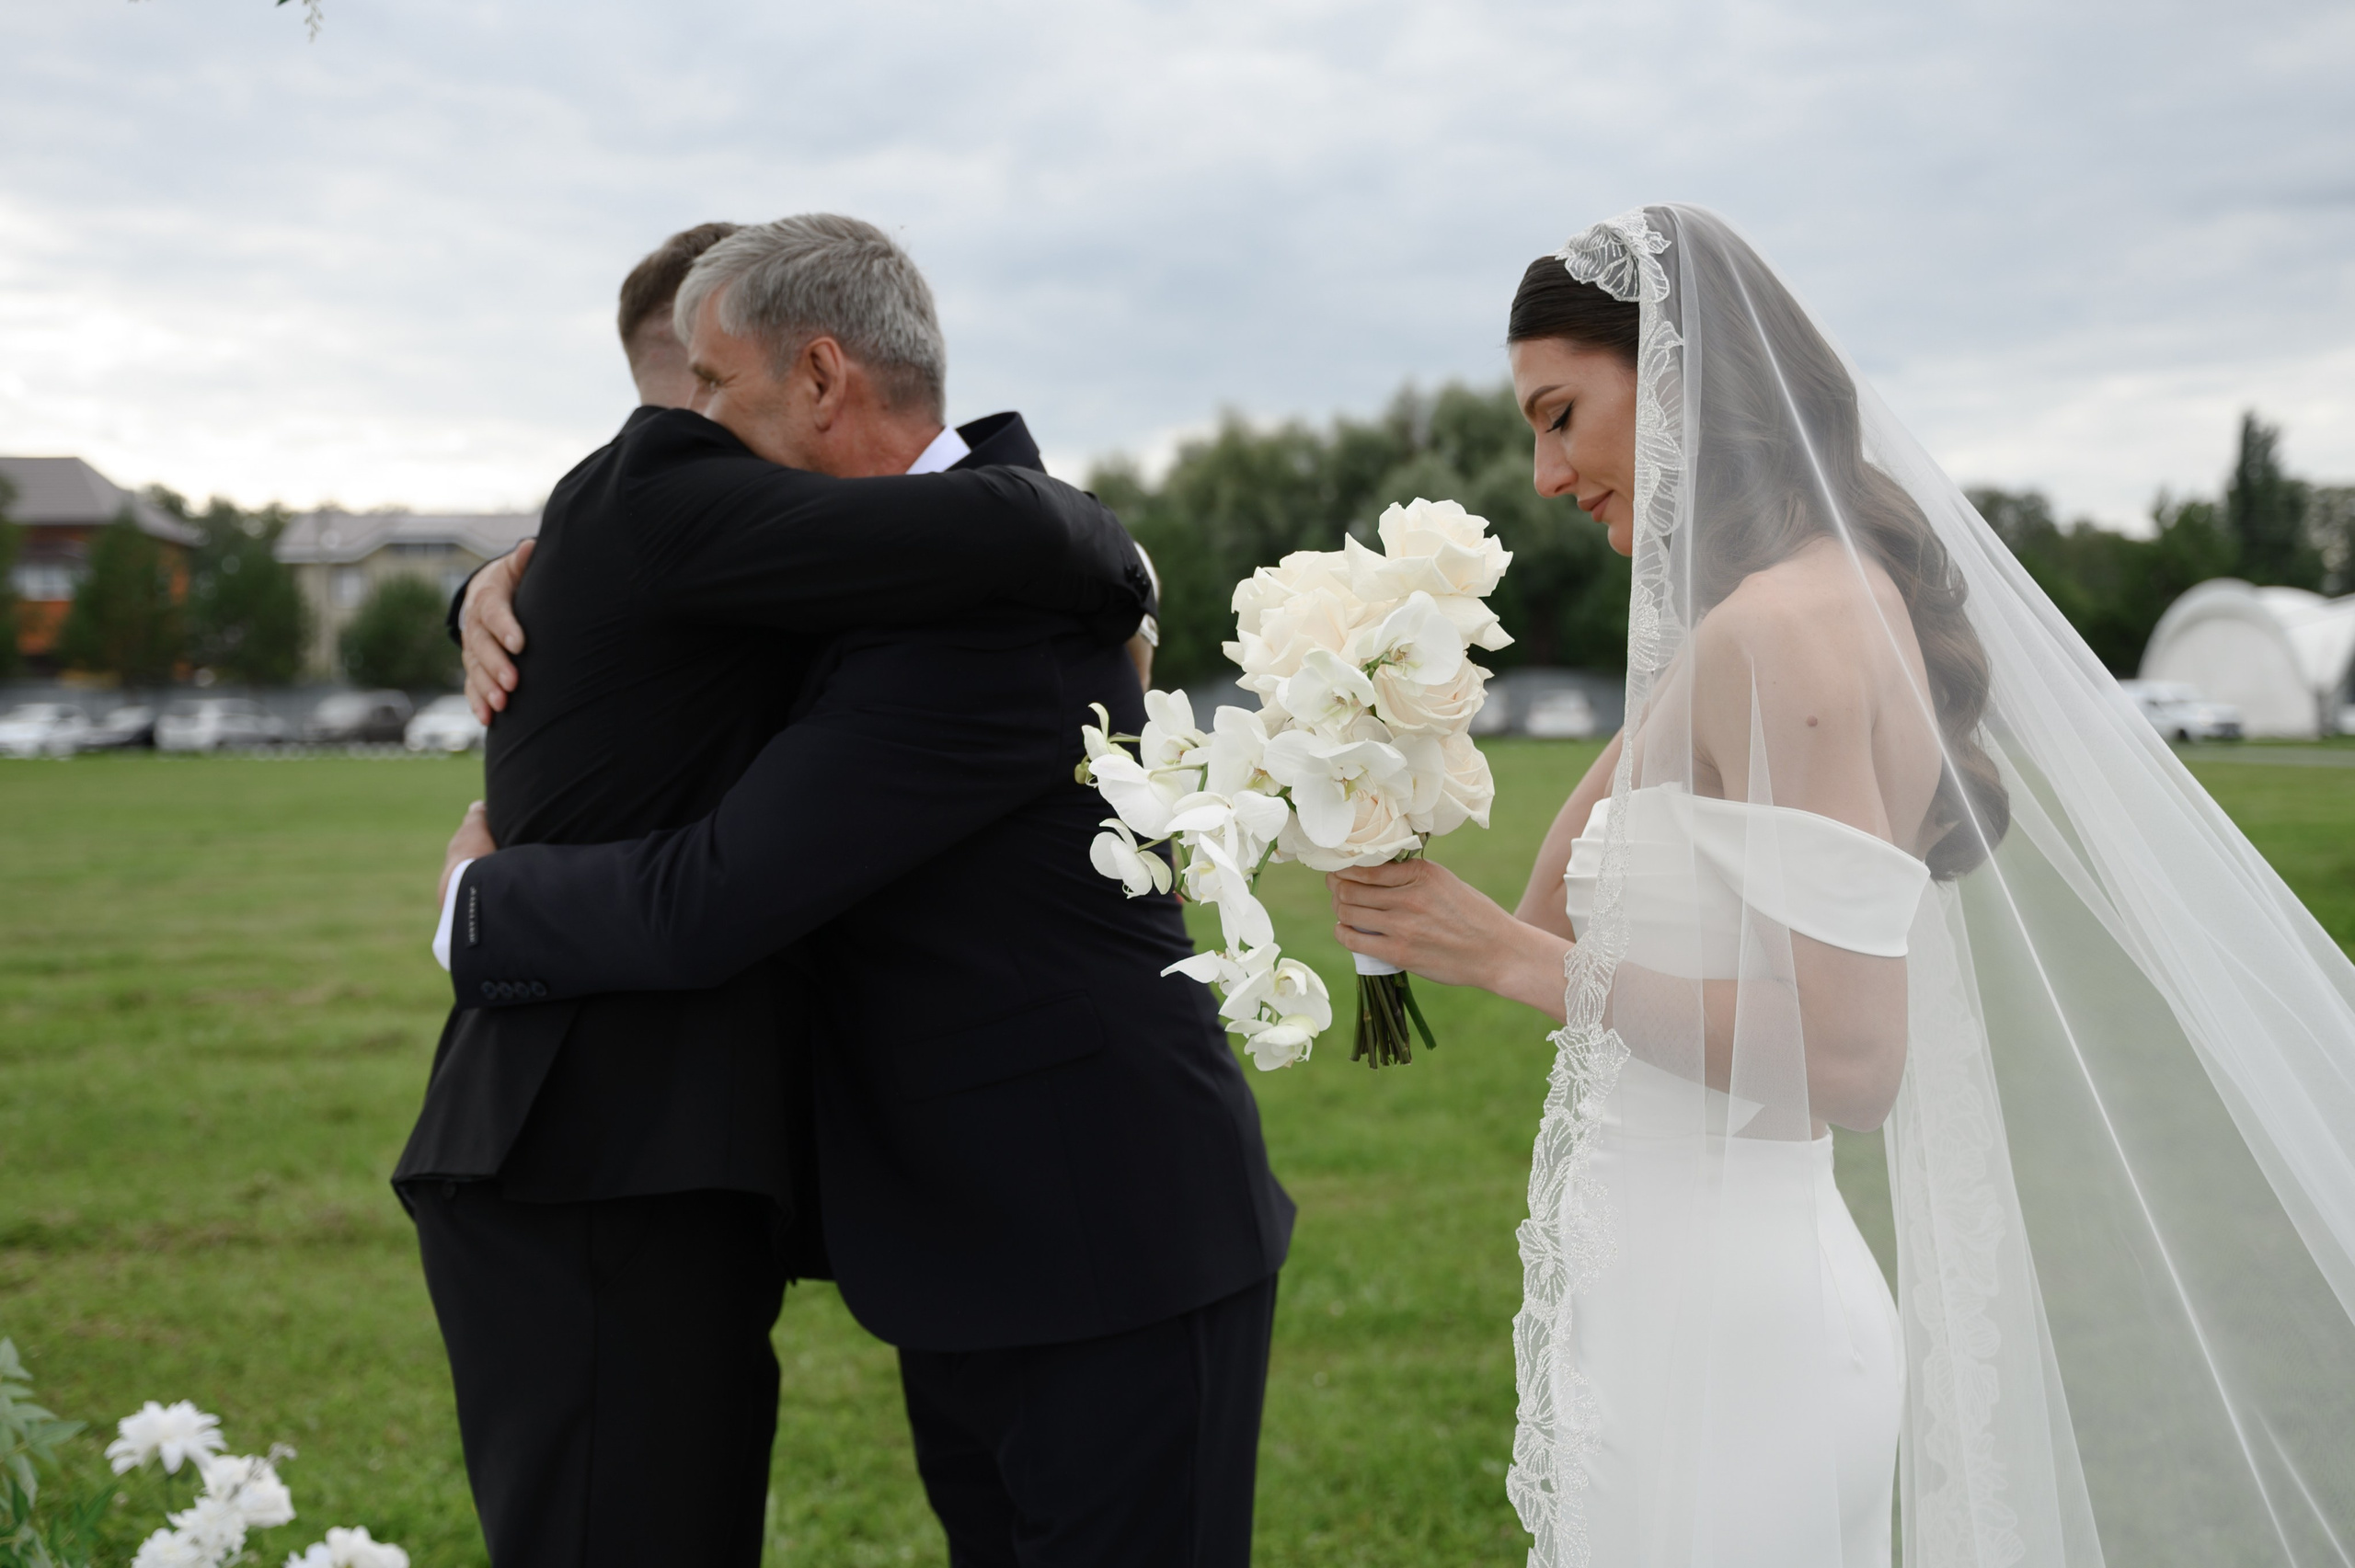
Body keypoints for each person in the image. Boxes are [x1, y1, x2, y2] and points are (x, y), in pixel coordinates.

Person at [1330, 206, 2355, 1566]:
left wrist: (1507, 964)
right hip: (1676, 1304)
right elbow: (1558, 906)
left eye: (1562, 416)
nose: (1545, 473)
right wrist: (1380, 737)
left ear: (1682, 382)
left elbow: (1854, 1058)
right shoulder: (1756, 618)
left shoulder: (1786, 631)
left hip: (1738, 1349)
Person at [430, 216, 1290, 1568]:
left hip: (1101, 1229)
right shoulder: (885, 572)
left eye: (714, 385)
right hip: (973, 1238)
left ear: (822, 378)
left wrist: (480, 906)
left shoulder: (990, 608)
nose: (689, 423)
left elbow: (719, 893)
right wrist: (492, 584)